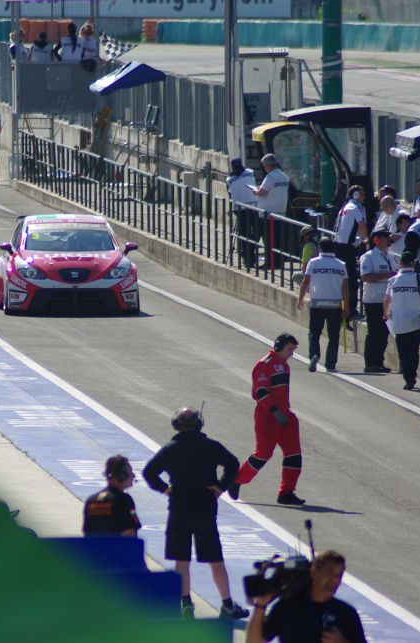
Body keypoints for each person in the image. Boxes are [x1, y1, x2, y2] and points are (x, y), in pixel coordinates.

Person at [142, 407, 248, 621]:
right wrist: (220, 486)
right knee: (215, 559)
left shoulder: (171, 448)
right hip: (204, 508)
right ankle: (227, 605)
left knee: (182, 560)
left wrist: (165, 489)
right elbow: (233, 463)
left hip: (179, 507)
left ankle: (186, 604)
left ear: (176, 424)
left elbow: (149, 472)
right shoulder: (210, 446)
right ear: (199, 424)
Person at [228, 333, 304, 505]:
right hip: (268, 417)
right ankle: (237, 480)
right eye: (289, 349)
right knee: (263, 454)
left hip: (286, 417)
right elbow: (260, 392)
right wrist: (275, 412)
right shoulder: (264, 365)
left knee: (294, 455)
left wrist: (284, 414)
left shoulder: (284, 365)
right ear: (278, 347)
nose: (292, 353)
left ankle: (286, 493)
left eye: (293, 350)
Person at [246, 550, 367, 643]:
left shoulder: (346, 613)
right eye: (330, 572)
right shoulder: (288, 608)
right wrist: (260, 606)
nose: (335, 579)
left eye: (339, 574)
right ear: (313, 571)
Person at [384, 252, 420, 390]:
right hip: (417, 321)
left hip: (399, 323)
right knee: (414, 352)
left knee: (403, 352)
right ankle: (411, 376)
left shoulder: (392, 280)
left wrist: (385, 314)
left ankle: (408, 378)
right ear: (413, 263)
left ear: (400, 263)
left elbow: (387, 301)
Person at [298, 237, 349, 373]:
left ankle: (314, 355)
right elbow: (345, 288)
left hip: (317, 304)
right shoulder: (340, 264)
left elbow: (305, 281)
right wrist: (347, 307)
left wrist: (300, 299)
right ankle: (331, 364)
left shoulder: (313, 263)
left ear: (320, 248)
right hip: (335, 305)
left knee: (314, 333)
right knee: (333, 336)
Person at [359, 229, 397, 373]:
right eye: (385, 237)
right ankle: (370, 363)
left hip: (387, 300)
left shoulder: (390, 256)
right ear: (377, 240)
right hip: (374, 299)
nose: (389, 240)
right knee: (374, 332)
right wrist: (387, 275)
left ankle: (379, 362)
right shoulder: (368, 256)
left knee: (384, 332)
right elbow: (366, 277)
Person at [82, 455, 142, 537]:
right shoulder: (123, 500)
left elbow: (87, 533)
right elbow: (129, 533)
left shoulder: (91, 500)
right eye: (130, 472)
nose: (133, 476)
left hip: (93, 549)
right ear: (122, 475)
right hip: (115, 548)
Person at [332, 185, 367, 319]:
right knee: (351, 281)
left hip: (340, 246)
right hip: (346, 249)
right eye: (362, 195)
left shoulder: (345, 207)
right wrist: (367, 240)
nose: (364, 198)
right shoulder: (355, 207)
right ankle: (351, 310)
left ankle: (343, 308)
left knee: (344, 279)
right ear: (356, 195)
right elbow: (362, 226)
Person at [251, 154, 290, 266]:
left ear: (267, 165)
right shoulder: (284, 176)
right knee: (278, 239)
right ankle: (278, 262)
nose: (264, 168)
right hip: (280, 212)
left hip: (268, 213)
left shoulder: (270, 177)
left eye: (264, 166)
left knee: (268, 240)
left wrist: (255, 191)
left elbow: (262, 192)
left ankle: (270, 263)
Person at [226, 157, 259, 269]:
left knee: (243, 233)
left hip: (239, 208)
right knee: (254, 232)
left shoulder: (229, 179)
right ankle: (250, 254)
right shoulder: (250, 172)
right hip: (254, 207)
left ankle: (245, 255)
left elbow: (230, 195)